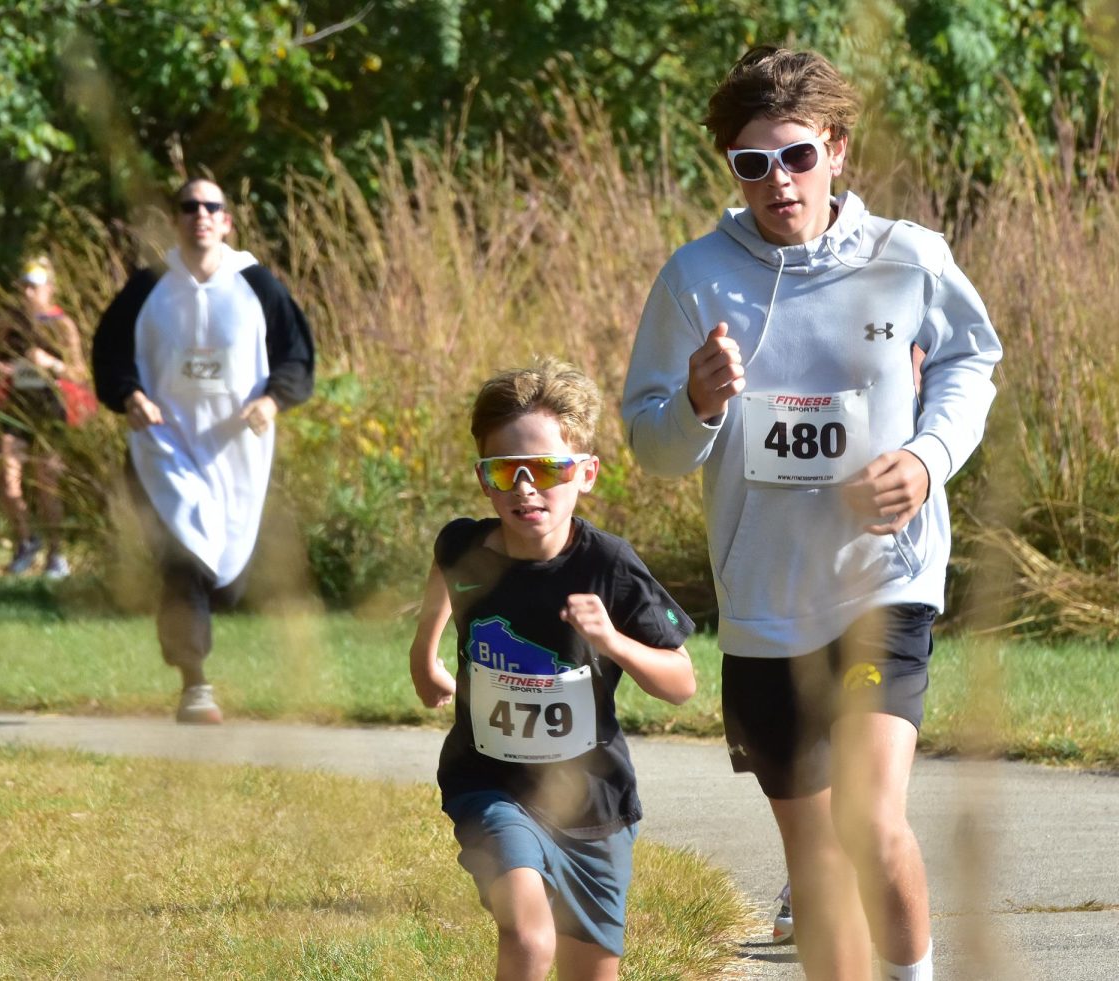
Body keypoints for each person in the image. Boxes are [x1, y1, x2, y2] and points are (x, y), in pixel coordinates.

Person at [621, 46, 1003, 981]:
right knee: (819, 866)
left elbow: (970, 363)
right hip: (763, 605)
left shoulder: (904, 256)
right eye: (752, 164)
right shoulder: (696, 277)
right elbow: (650, 440)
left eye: (795, 156)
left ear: (835, 150)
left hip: (885, 581)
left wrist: (926, 456)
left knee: (869, 825)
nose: (777, 183)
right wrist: (699, 405)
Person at [409, 359, 697, 981]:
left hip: (592, 802)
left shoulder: (609, 567)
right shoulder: (465, 546)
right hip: (489, 785)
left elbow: (681, 682)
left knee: (587, 970)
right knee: (530, 937)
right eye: (503, 472)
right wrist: (425, 652)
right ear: (483, 481)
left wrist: (613, 641)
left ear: (585, 473)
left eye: (545, 469)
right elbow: (443, 572)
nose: (524, 488)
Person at [92, 178, 314, 724]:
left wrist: (272, 399)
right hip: (163, 449)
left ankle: (198, 653)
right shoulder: (148, 287)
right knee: (182, 560)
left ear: (227, 221)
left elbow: (297, 356)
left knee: (227, 576)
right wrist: (131, 396)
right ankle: (195, 684)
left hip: (235, 453)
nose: (200, 215)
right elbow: (110, 351)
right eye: (189, 207)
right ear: (176, 220)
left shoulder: (258, 285)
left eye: (211, 206)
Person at [0, 255, 88, 579]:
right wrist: (1, 370)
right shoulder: (11, 323)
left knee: (48, 482)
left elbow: (80, 372)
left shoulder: (63, 325)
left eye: (35, 286)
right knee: (6, 473)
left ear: (50, 289)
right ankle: (26, 540)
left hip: (53, 409)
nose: (28, 293)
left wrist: (52, 364)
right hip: (19, 408)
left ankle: (57, 555)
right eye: (25, 286)